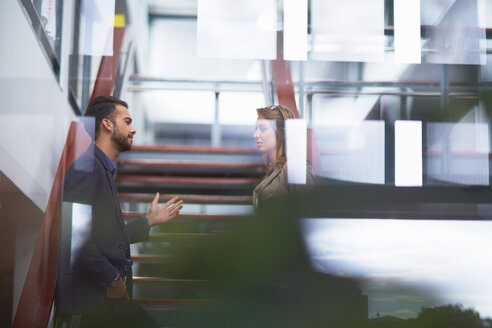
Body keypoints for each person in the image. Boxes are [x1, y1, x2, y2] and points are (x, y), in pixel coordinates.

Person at [55, 96, 183, 327]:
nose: (133, 129)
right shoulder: (87, 169)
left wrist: (148, 221)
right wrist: (112, 280)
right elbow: (76, 238)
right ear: (107, 124)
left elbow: (106, 237)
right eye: (127, 121)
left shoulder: (102, 169)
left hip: (107, 300)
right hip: (96, 301)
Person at [252, 105, 314, 214]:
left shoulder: (296, 167)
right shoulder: (275, 171)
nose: (255, 135)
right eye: (256, 129)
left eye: (263, 129)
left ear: (281, 132)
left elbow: (308, 214)